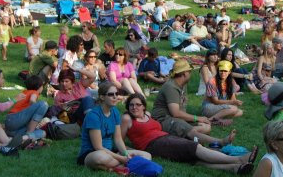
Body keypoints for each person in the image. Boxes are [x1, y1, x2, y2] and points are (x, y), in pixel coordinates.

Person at [122, 93, 257, 175]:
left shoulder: (147, 115)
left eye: (138, 104)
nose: (134, 107)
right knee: (193, 147)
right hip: (154, 144)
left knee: (194, 159)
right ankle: (237, 160)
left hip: (165, 138)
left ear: (144, 106)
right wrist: (131, 151)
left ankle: (233, 168)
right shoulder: (127, 119)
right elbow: (119, 141)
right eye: (131, 105)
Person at [151, 59, 237, 145]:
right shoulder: (171, 87)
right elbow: (175, 113)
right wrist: (197, 118)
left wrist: (196, 120)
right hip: (163, 119)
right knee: (191, 129)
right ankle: (220, 142)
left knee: (207, 127)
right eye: (189, 71)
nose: (190, 74)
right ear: (184, 73)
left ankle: (182, 134)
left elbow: (181, 109)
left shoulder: (183, 84)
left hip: (176, 118)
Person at [77, 83, 151, 173]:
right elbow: (98, 147)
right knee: (100, 158)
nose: (115, 97)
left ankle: (116, 168)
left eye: (117, 93)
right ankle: (127, 165)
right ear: (102, 97)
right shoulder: (93, 116)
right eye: (111, 94)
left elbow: (118, 139)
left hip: (110, 152)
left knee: (147, 155)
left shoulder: (114, 111)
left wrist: (126, 154)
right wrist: (121, 158)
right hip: (92, 153)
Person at [5, 75, 47, 140]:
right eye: (42, 86)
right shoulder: (35, 92)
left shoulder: (25, 92)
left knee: (43, 133)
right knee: (43, 104)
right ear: (39, 87)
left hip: (10, 126)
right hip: (15, 118)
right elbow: (32, 100)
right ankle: (29, 133)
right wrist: (37, 106)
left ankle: (19, 139)